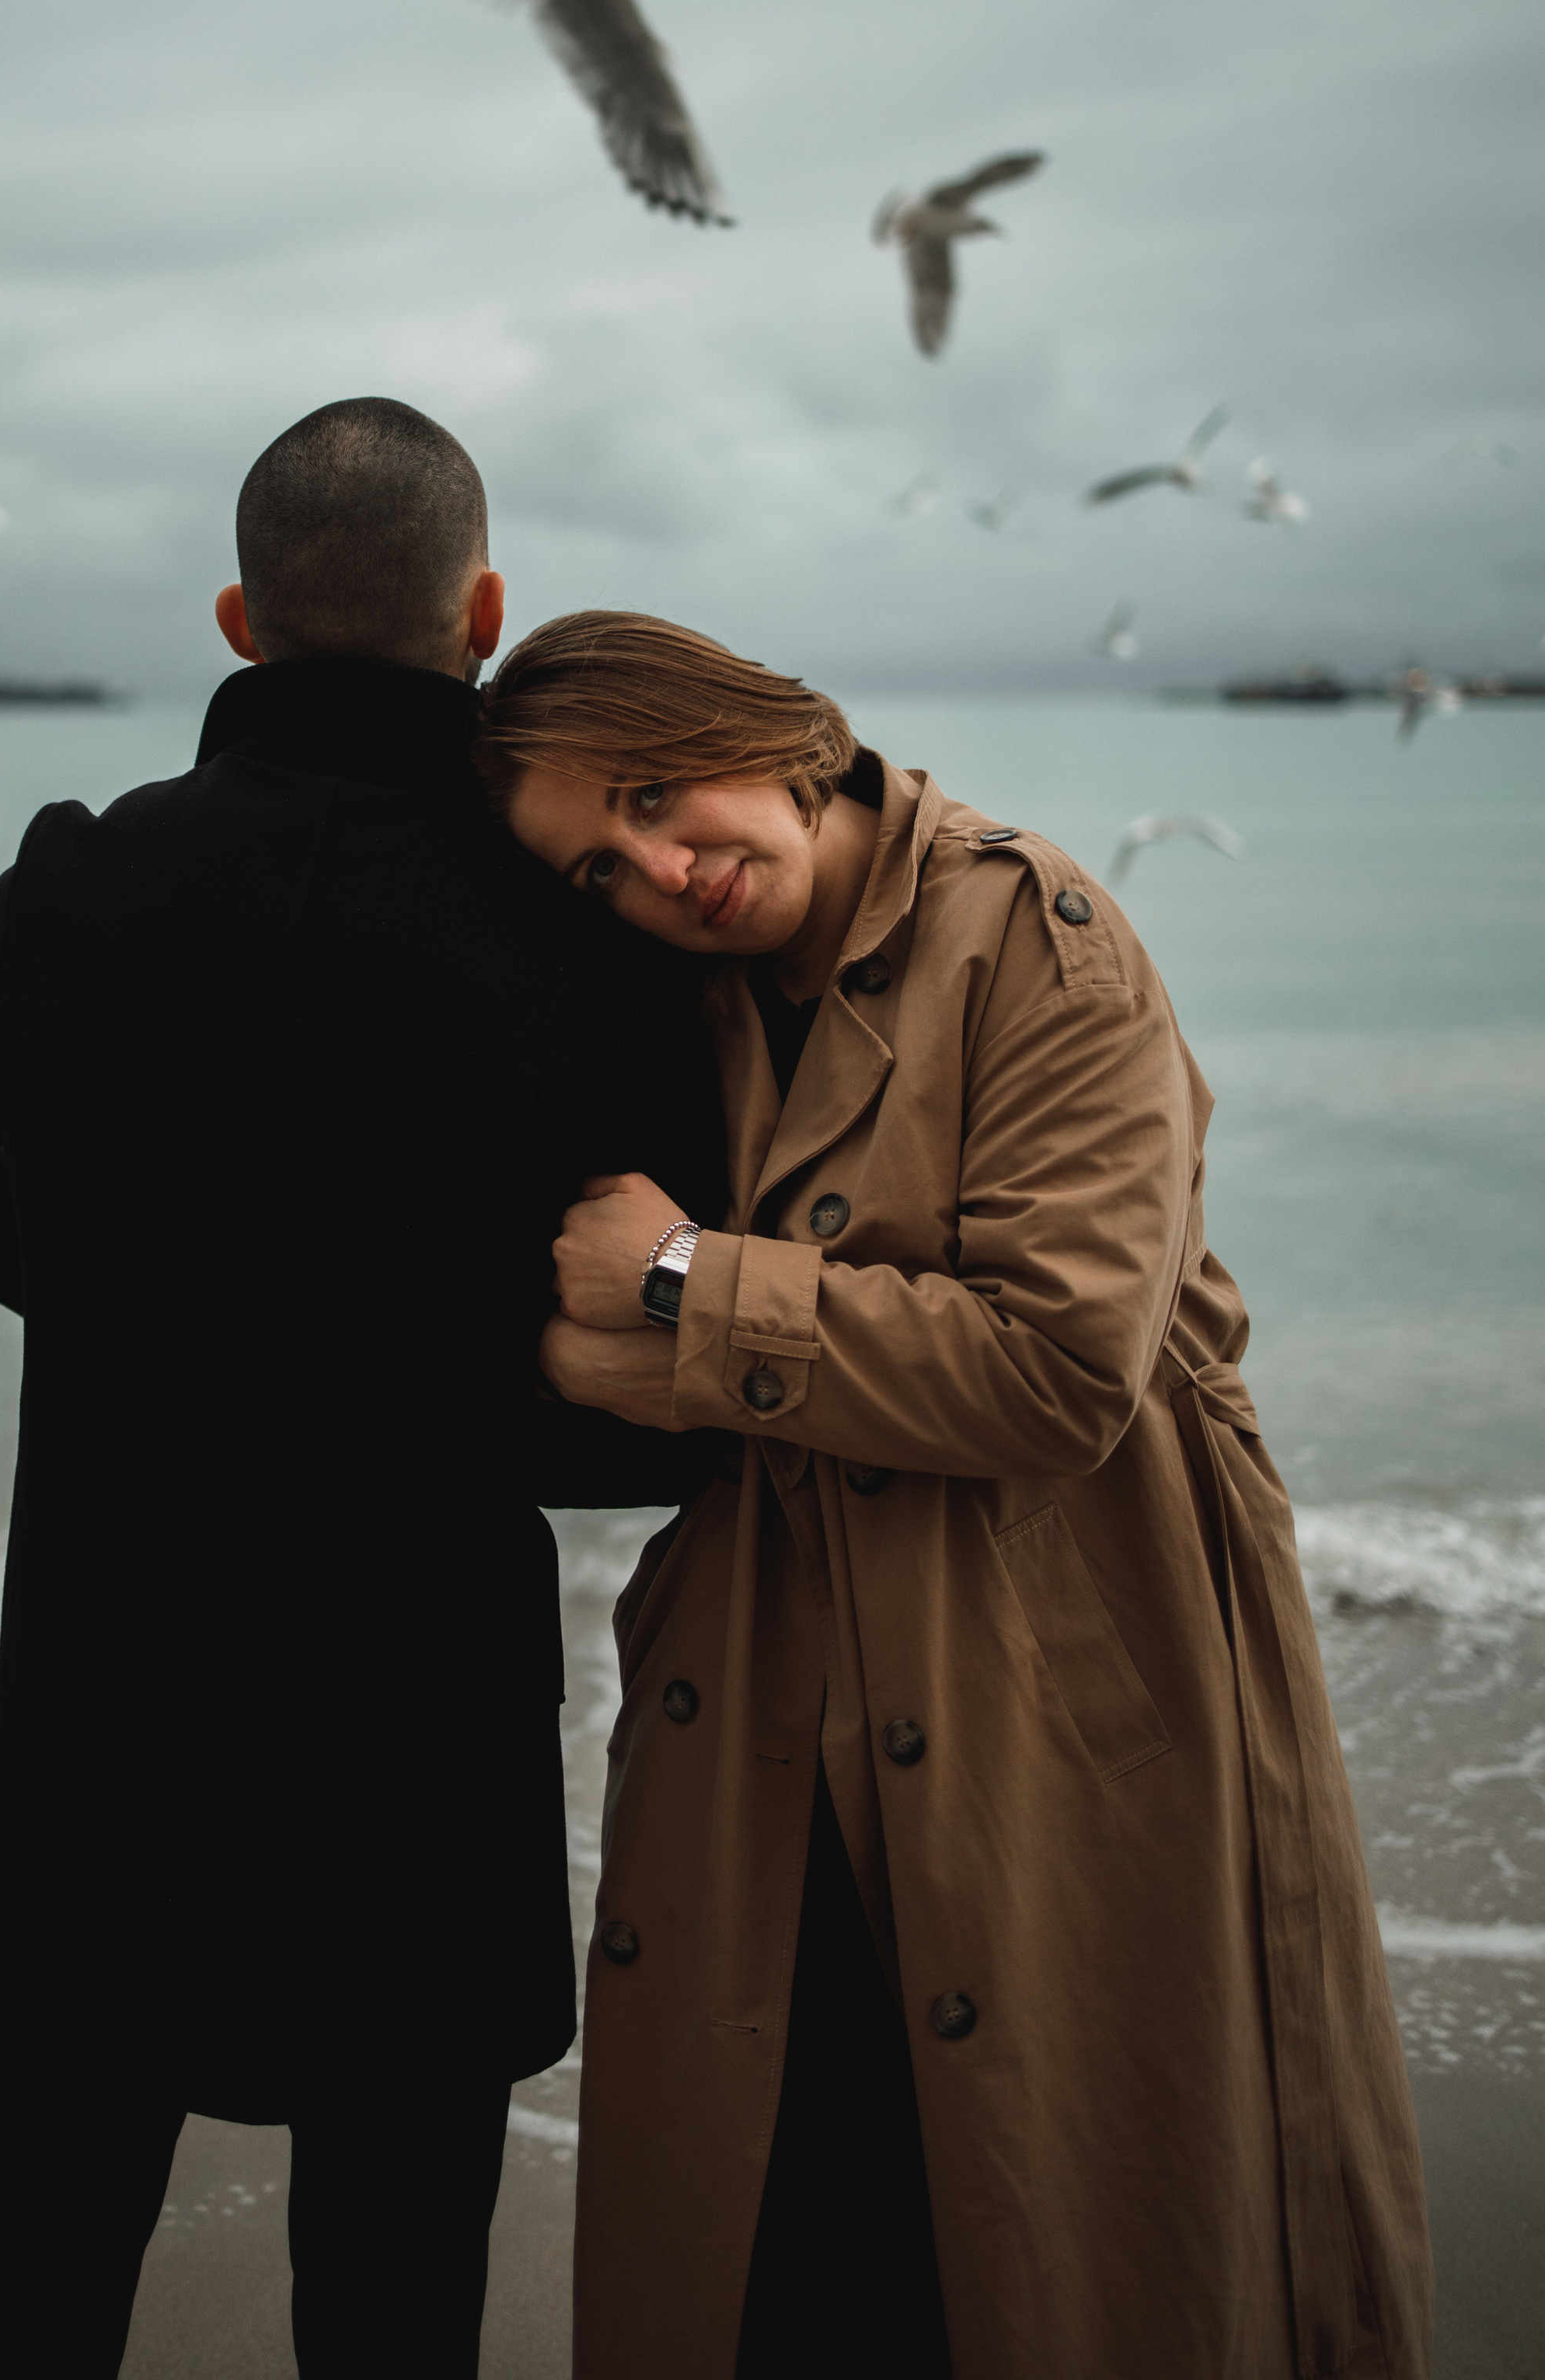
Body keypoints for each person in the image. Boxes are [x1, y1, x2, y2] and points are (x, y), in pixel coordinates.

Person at [0, 410, 726, 2378]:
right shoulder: (573, 939)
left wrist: (129, 1304)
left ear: (237, 620)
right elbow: (680, 1371)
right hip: (418, 1733)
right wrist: (496, 1384)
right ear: (480, 614)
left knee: (49, 2235)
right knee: (395, 2291)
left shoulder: (87, 875)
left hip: (110, 1709)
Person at [476, 608, 1434, 2380]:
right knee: (798, 2229)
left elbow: (1055, 1369)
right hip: (779, 1678)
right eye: (596, 867)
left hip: (1062, 1652)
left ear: (751, 726)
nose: (659, 865)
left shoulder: (1038, 936)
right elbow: (562, 1326)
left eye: (654, 794)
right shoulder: (679, 995)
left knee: (1052, 2225)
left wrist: (684, 1283)